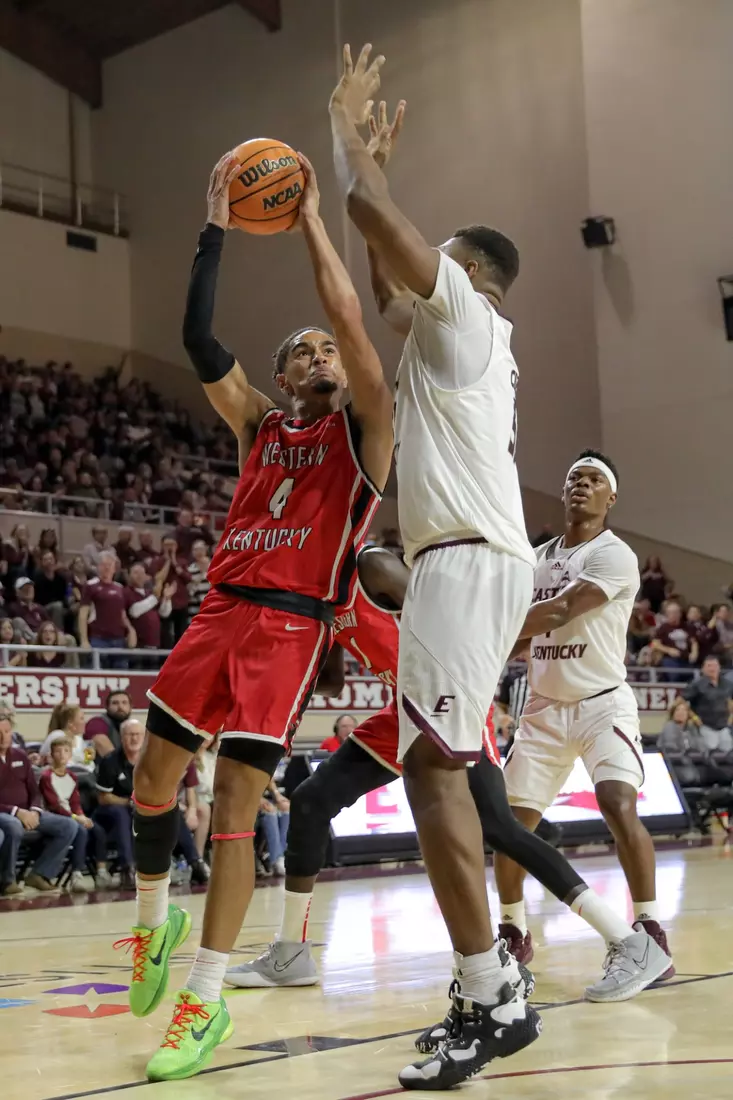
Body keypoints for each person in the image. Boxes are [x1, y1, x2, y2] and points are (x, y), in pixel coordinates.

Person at [121, 150, 392, 1083]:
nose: (323, 356)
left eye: (328, 349)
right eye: (304, 352)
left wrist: (317, 218)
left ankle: (206, 997)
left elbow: (355, 330)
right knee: (152, 785)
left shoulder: (363, 436)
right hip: (217, 614)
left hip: (287, 629)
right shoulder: (260, 427)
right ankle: (153, 929)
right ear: (279, 379)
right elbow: (198, 339)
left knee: (235, 806)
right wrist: (215, 228)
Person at [330, 48, 541, 1087]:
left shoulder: (465, 308)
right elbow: (382, 275)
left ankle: (489, 989)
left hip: (464, 562)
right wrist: (369, 170)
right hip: (464, 561)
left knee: (434, 771)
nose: (417, 281)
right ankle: (481, 982)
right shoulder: (451, 340)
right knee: (431, 767)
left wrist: (348, 144)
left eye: (437, 262)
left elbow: (385, 237)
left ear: (466, 272)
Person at [226, 546, 670, 1025]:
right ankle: (291, 953)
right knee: (311, 802)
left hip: (447, 699)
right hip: (400, 712)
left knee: (500, 829)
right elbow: (331, 681)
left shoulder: (370, 564)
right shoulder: (324, 598)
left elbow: (444, 614)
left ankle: (629, 942)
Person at [493, 451, 673, 998]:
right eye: (574, 478)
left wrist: (488, 634)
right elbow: (526, 632)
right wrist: (496, 648)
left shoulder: (615, 554)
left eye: (594, 480)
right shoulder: (536, 557)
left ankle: (647, 928)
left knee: (618, 803)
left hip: (601, 704)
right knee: (508, 828)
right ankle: (514, 931)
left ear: (609, 497)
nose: (581, 486)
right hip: (544, 709)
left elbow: (558, 611)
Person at [0, 715, 77, 895]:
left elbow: (34, 791)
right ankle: (6, 880)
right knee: (13, 826)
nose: (3, 737)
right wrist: (17, 812)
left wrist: (34, 810)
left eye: (6, 732)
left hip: (28, 812)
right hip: (6, 813)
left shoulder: (20, 756)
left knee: (69, 825)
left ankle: (40, 874)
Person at [38, 737, 113, 892]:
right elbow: (53, 805)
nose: (62, 755)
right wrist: (75, 817)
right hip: (56, 817)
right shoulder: (46, 777)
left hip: (74, 816)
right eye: (58, 752)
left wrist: (81, 815)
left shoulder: (72, 777)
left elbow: (75, 802)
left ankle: (101, 872)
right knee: (81, 831)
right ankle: (76, 874)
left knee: (97, 830)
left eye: (66, 751)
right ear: (51, 755)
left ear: (70, 754)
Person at [94, 718, 144, 891]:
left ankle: (193, 861)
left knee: (170, 811)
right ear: (122, 738)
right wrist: (129, 802)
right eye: (130, 735)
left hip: (139, 808)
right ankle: (127, 868)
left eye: (138, 735)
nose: (135, 739)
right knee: (121, 813)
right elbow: (103, 797)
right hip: (108, 811)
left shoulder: (148, 761)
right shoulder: (110, 762)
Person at [78, 550, 136, 668]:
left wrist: (130, 630)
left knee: (120, 677)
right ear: (98, 567)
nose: (107, 568)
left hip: (118, 639)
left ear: (114, 568)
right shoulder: (91, 586)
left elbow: (122, 614)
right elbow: (83, 614)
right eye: (104, 564)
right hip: (98, 639)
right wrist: (84, 640)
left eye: (110, 565)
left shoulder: (120, 588)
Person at [682, 656, 733, 751]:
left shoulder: (727, 684)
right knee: (710, 752)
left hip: (724, 726)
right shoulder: (696, 684)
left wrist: (731, 716)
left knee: (728, 753)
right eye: (709, 666)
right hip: (705, 726)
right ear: (703, 668)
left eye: (714, 665)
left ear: (719, 667)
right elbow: (681, 702)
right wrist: (693, 717)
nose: (712, 668)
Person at [84, 689, 132, 757]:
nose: (120, 707)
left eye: (124, 703)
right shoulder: (97, 722)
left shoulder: (132, 726)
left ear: (130, 707)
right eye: (115, 703)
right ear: (107, 707)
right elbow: (100, 743)